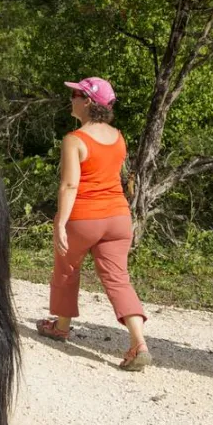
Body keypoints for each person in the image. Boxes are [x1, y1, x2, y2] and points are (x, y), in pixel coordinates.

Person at [37, 77, 151, 371]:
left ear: (87, 102)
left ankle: (61, 327)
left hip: (84, 217)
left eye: (75, 94)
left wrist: (60, 222)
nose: (71, 99)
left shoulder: (75, 139)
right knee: (118, 279)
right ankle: (139, 343)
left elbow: (70, 184)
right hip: (118, 217)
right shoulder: (119, 136)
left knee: (67, 268)